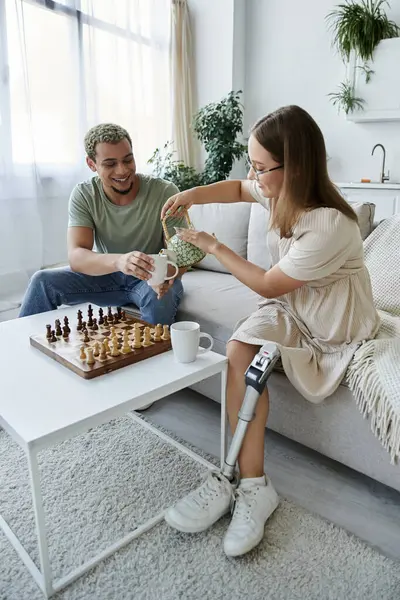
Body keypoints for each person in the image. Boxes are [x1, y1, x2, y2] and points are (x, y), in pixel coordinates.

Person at [160, 105, 380, 557]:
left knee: (256, 345)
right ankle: (254, 485)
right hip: (293, 303)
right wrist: (192, 194)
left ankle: (241, 482)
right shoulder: (276, 190)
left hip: (332, 322)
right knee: (238, 349)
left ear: (294, 165)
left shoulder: (330, 225)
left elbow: (264, 283)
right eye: (254, 164)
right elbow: (240, 189)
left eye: (261, 167)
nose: (254, 175)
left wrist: (213, 245)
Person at [19, 123, 184, 325]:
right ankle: (17, 352)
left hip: (148, 279)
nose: (122, 170)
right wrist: (119, 261)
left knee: (160, 297)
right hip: (106, 275)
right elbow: (77, 256)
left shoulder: (165, 192)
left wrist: (165, 277)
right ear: (91, 164)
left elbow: (178, 252)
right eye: (110, 164)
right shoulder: (84, 194)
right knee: (42, 281)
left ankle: (151, 354)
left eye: (128, 159)